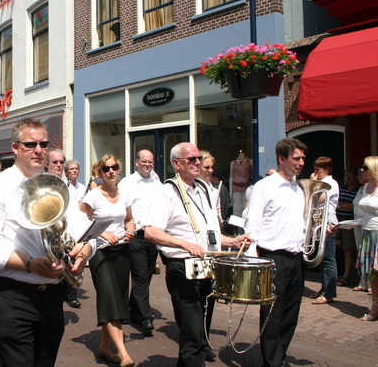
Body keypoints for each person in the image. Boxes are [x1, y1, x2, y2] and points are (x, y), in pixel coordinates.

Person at [0, 118, 94, 367]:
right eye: (30, 144)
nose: (39, 150)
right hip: (14, 296)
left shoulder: (59, 186)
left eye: (43, 144)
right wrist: (30, 264)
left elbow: (77, 227)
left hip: (52, 295)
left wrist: (84, 250)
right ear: (15, 147)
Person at [144, 142, 249, 367]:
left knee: (200, 332)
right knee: (192, 331)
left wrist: (233, 241)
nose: (198, 162)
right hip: (182, 268)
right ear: (176, 164)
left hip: (207, 266)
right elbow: (151, 232)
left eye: (198, 158)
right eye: (191, 159)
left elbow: (209, 234)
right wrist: (185, 244)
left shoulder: (205, 189)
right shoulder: (166, 191)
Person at [245, 138, 308, 367]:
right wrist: (254, 262)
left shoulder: (298, 188)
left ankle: (279, 356)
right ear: (282, 159)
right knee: (272, 313)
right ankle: (272, 362)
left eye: (302, 158)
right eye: (296, 158)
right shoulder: (265, 187)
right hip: (273, 258)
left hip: (296, 257)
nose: (301, 163)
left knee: (291, 313)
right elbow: (252, 225)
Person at [80, 154, 135, 366]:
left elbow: (129, 219)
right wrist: (102, 234)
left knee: (117, 299)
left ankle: (104, 347)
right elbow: (81, 221)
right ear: (100, 173)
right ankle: (123, 354)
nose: (111, 172)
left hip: (122, 252)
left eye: (114, 167)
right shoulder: (93, 195)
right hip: (100, 252)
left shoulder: (125, 194)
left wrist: (129, 230)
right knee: (110, 298)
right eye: (106, 169)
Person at [117, 149, 160, 337]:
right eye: (144, 161)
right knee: (140, 276)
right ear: (136, 162)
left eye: (150, 162)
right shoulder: (127, 183)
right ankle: (145, 317)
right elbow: (121, 208)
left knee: (147, 275)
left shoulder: (157, 182)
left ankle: (133, 310)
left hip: (153, 235)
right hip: (136, 235)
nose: (147, 164)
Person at [45, 149, 81, 309]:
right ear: (47, 164)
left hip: (63, 238)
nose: (59, 165)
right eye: (55, 162)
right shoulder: (40, 183)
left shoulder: (69, 188)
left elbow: (74, 215)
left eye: (61, 162)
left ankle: (70, 298)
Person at [309, 157, 339, 304]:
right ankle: (324, 288)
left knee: (328, 259)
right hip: (318, 225)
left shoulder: (331, 183)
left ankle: (329, 292)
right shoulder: (323, 183)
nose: (315, 172)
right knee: (322, 258)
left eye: (318, 170)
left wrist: (313, 183)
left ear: (326, 169)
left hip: (328, 224)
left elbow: (318, 198)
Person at [355, 157, 378, 321]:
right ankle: (375, 306)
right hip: (367, 233)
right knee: (371, 273)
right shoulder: (364, 188)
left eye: (365, 167)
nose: (361, 170)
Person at [336, 167, 361, 287]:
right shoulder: (342, 189)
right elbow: (335, 203)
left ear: (356, 176)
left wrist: (340, 205)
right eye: (346, 175)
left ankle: (346, 276)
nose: (348, 178)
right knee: (335, 245)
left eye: (350, 175)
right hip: (338, 221)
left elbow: (353, 207)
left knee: (349, 250)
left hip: (350, 222)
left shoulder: (359, 190)